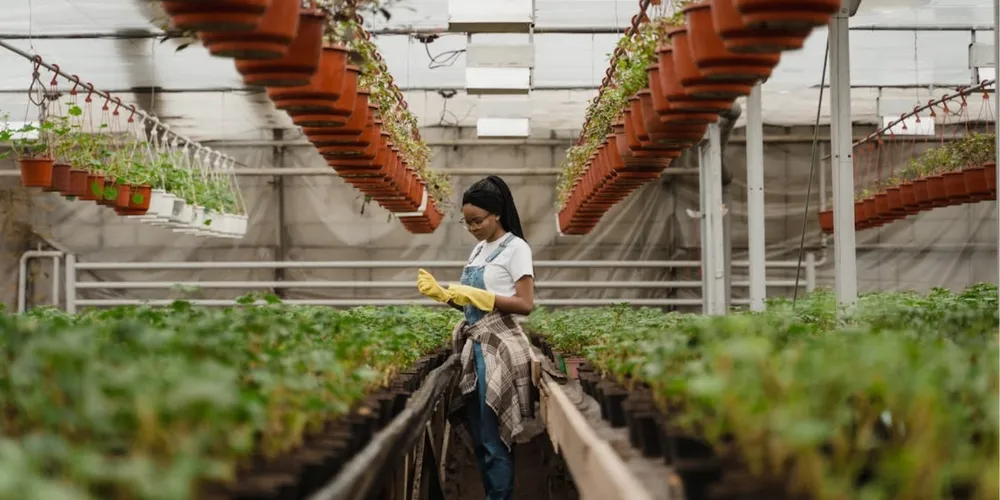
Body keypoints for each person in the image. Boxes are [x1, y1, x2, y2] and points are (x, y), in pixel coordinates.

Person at [416, 176, 535, 500]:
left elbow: (526, 304)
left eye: (477, 221)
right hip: (476, 345)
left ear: (496, 214)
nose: (472, 228)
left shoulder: (516, 248)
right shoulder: (479, 249)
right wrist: (445, 296)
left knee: (494, 435)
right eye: (467, 222)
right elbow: (470, 300)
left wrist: (485, 298)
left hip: (499, 347)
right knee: (481, 436)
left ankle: (500, 496)